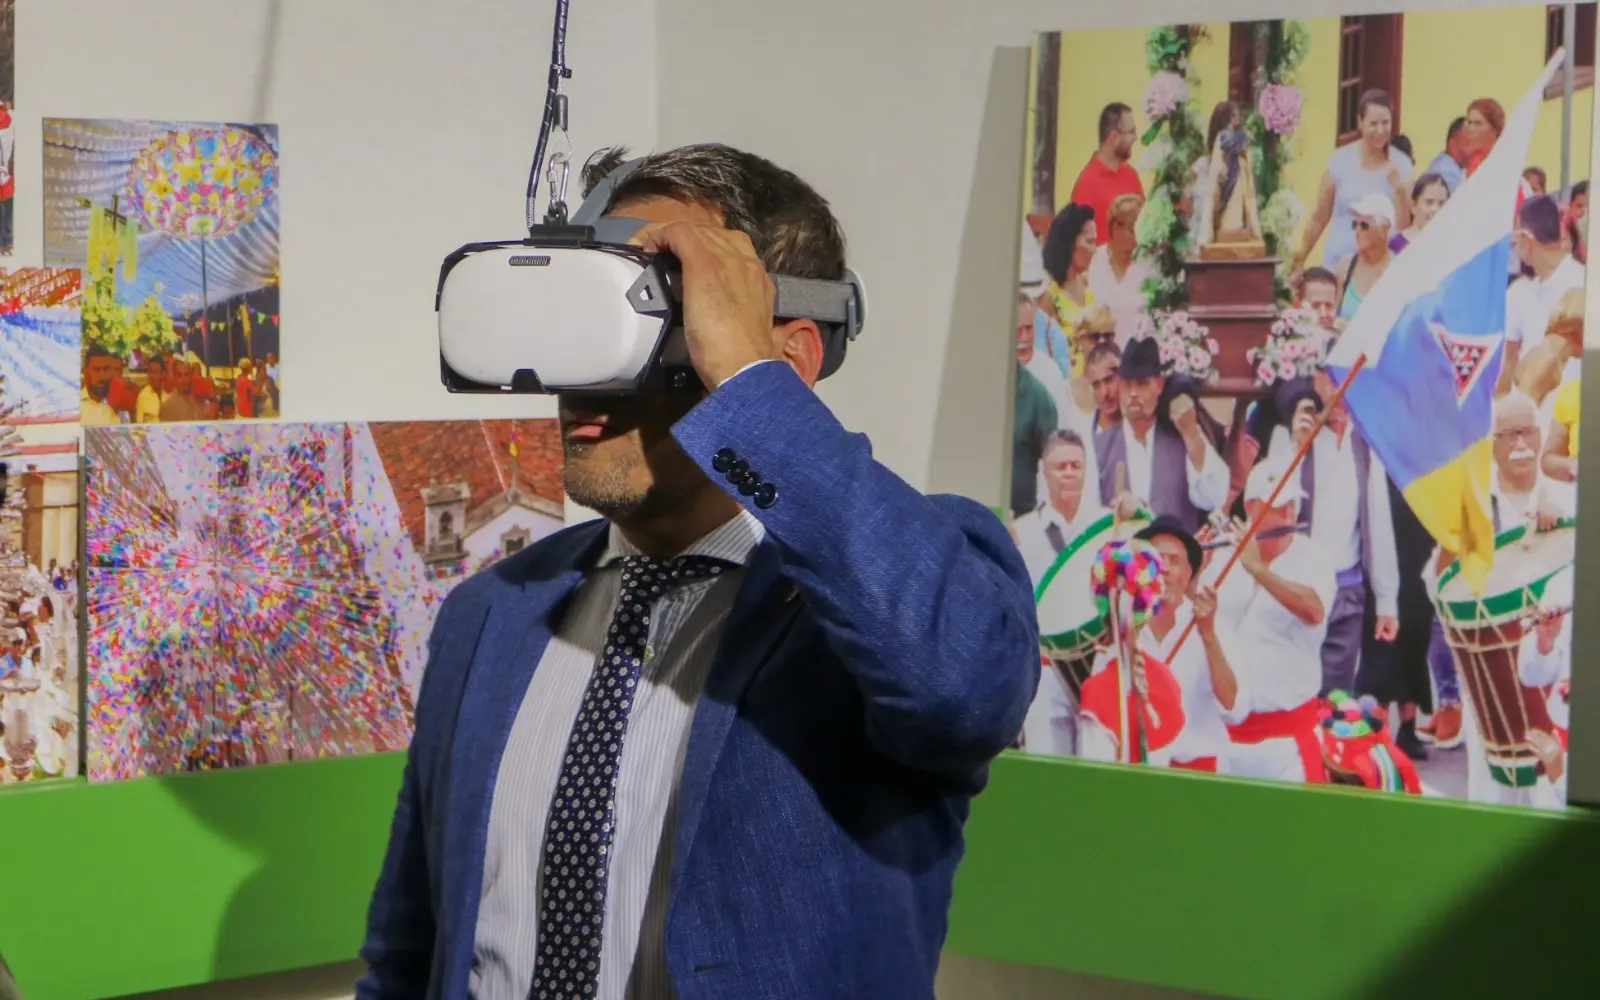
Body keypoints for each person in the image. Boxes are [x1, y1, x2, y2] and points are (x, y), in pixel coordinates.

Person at [355, 143, 1040, 1000]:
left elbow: (965, 690)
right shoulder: (491, 612)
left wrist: (750, 389)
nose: (584, 376)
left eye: (650, 317)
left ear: (785, 361)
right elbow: (408, 955)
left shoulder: (885, 597)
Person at [1201, 460, 1337, 784]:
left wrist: (1259, 571)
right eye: (1278, 505)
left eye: (1292, 504)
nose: (1289, 514)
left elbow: (1314, 610)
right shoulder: (1222, 556)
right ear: (1251, 508)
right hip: (1224, 736)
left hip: (1289, 739)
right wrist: (1194, 570)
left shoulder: (1315, 556)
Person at [1094, 337, 1227, 533]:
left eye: (1142, 384)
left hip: (1174, 550)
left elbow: (1213, 497)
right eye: (1127, 385)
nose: (1133, 393)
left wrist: (1191, 433)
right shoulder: (1099, 447)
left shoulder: (1181, 439)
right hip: (1122, 551)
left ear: (1159, 385)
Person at [1292, 89, 1413, 273]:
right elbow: (1319, 217)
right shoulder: (1339, 161)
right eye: (1373, 124)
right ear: (1360, 122)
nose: (1380, 130)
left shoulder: (1402, 166)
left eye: (1385, 123)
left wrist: (1398, 188)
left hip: (1378, 271)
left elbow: (1405, 227)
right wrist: (1300, 258)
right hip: (1336, 265)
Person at [1333, 192, 1396, 325]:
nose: (1357, 231)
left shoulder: (1395, 270)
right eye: (1354, 225)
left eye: (1364, 226)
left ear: (1385, 229)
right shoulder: (1346, 265)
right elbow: (1334, 313)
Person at [1389, 173, 1449, 254]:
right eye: (1429, 202)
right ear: (1413, 206)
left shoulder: (1449, 244)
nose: (1435, 209)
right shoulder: (1395, 245)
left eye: (1441, 204)